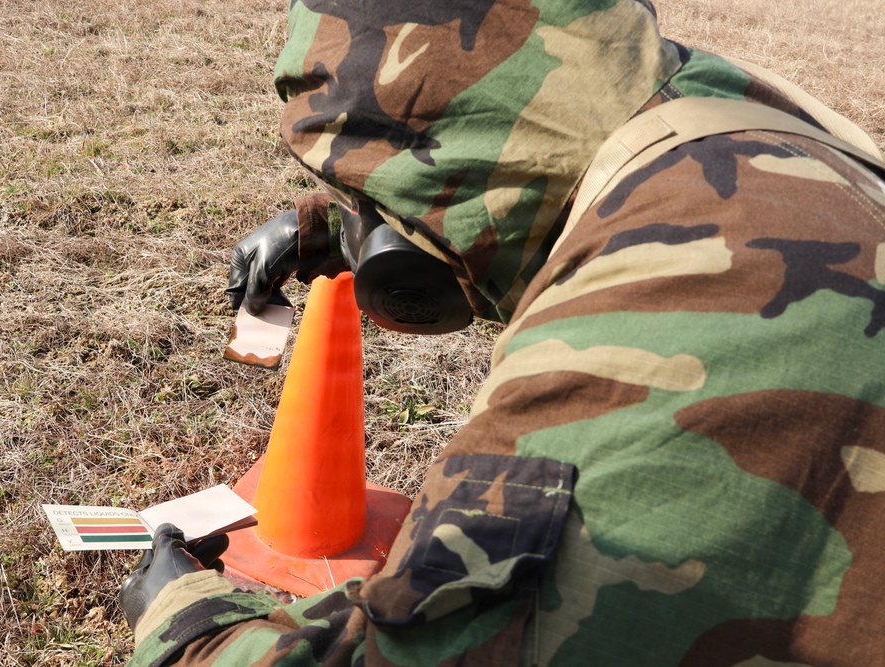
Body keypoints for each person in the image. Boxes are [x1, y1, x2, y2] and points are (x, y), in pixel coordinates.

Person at [120, 0, 885, 665]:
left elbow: (413, 652)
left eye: (371, 190)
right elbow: (538, 168)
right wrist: (339, 233)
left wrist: (189, 622)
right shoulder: (725, 111)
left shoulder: (617, 366)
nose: (370, 219)